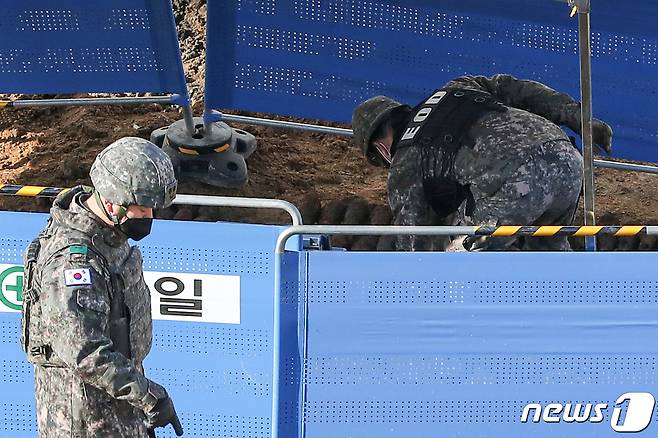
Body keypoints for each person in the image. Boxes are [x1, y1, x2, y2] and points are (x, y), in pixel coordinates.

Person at [20, 137, 183, 437]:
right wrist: (145, 393)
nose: (150, 218)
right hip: (84, 416)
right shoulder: (72, 263)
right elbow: (83, 350)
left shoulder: (108, 237)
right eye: (143, 209)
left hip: (119, 405)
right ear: (111, 202)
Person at [352, 74, 613, 251]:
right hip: (566, 159)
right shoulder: (455, 88)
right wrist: (579, 117)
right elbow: (517, 89)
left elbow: (414, 245)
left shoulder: (404, 161)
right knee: (548, 251)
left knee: (463, 256)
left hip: (517, 181)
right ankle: (571, 318)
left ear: (379, 148)